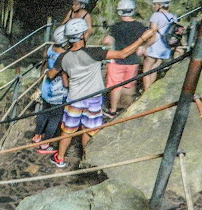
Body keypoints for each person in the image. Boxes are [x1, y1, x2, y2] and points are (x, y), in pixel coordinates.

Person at [46, 18, 155, 167]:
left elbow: (51, 74)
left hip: (74, 99)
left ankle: (60, 158)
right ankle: (86, 160)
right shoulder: (94, 52)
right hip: (94, 99)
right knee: (88, 130)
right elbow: (122, 54)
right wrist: (142, 38)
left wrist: (53, 71)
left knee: (68, 130)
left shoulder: (63, 57)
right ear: (83, 34)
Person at [101, 0, 147, 117]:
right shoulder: (140, 26)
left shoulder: (116, 27)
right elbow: (151, 37)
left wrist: (103, 42)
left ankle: (113, 110)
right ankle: (129, 109)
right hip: (133, 61)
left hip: (117, 61)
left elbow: (107, 41)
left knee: (116, 86)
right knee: (129, 86)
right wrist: (143, 46)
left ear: (120, 12)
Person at [31, 25, 69, 154]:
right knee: (54, 118)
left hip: (46, 88)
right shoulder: (64, 56)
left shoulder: (49, 49)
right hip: (58, 93)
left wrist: (40, 87)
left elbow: (44, 66)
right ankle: (45, 144)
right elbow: (65, 81)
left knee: (43, 113)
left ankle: (37, 137)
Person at [142, 0, 178, 91]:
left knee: (146, 70)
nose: (153, 6)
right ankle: (150, 91)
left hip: (155, 46)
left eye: (155, 4)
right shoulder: (173, 16)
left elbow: (152, 32)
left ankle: (145, 95)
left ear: (160, 5)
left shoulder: (156, 16)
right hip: (166, 47)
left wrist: (144, 46)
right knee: (154, 69)